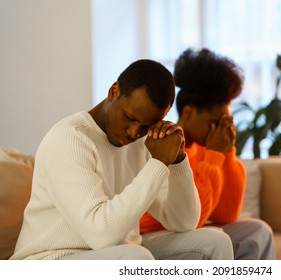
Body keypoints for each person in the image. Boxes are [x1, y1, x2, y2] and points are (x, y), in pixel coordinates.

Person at [10, 59, 234, 260]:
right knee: (135, 257)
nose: (134, 132)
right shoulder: (70, 139)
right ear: (113, 92)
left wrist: (177, 160)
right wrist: (157, 164)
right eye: (129, 117)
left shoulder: (143, 142)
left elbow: (184, 221)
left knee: (215, 242)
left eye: (145, 126)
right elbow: (100, 234)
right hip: (49, 260)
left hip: (116, 252)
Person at [140, 48, 275, 260]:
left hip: (189, 233)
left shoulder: (209, 148)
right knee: (216, 238)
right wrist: (214, 156)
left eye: (225, 122)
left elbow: (226, 214)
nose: (219, 130)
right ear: (189, 112)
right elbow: (193, 219)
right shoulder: (163, 144)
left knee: (258, 232)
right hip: (155, 235)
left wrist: (227, 152)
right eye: (214, 123)